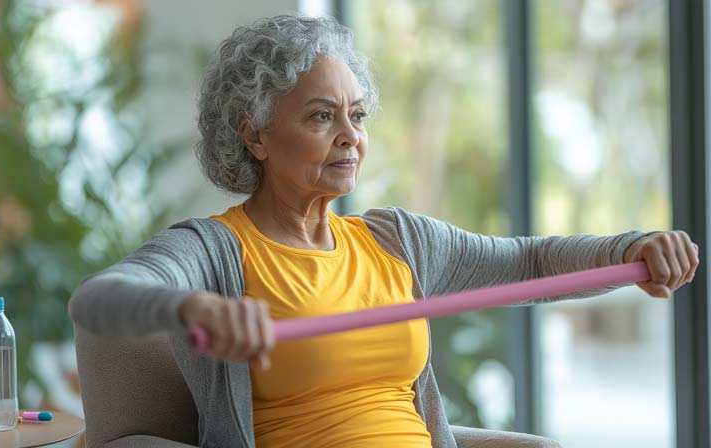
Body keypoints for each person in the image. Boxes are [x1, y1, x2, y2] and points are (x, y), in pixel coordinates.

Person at [69, 14, 699, 448]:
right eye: (321, 117)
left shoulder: (398, 242)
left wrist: (631, 248)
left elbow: (531, 263)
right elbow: (99, 299)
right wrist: (190, 303)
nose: (351, 136)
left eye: (357, 115)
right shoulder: (215, 252)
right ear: (254, 134)